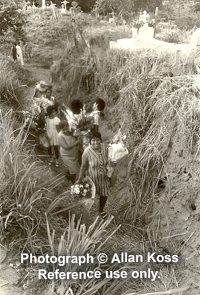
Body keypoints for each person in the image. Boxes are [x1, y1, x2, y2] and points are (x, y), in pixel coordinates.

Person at [76, 131, 110, 218]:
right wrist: (79, 180)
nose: (96, 142)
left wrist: (111, 166)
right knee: (90, 196)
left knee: (104, 195)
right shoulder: (87, 152)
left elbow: (108, 160)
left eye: (97, 140)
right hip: (93, 179)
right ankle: (86, 213)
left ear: (100, 140)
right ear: (90, 141)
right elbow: (83, 167)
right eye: (93, 140)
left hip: (104, 178)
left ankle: (101, 210)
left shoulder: (105, 148)